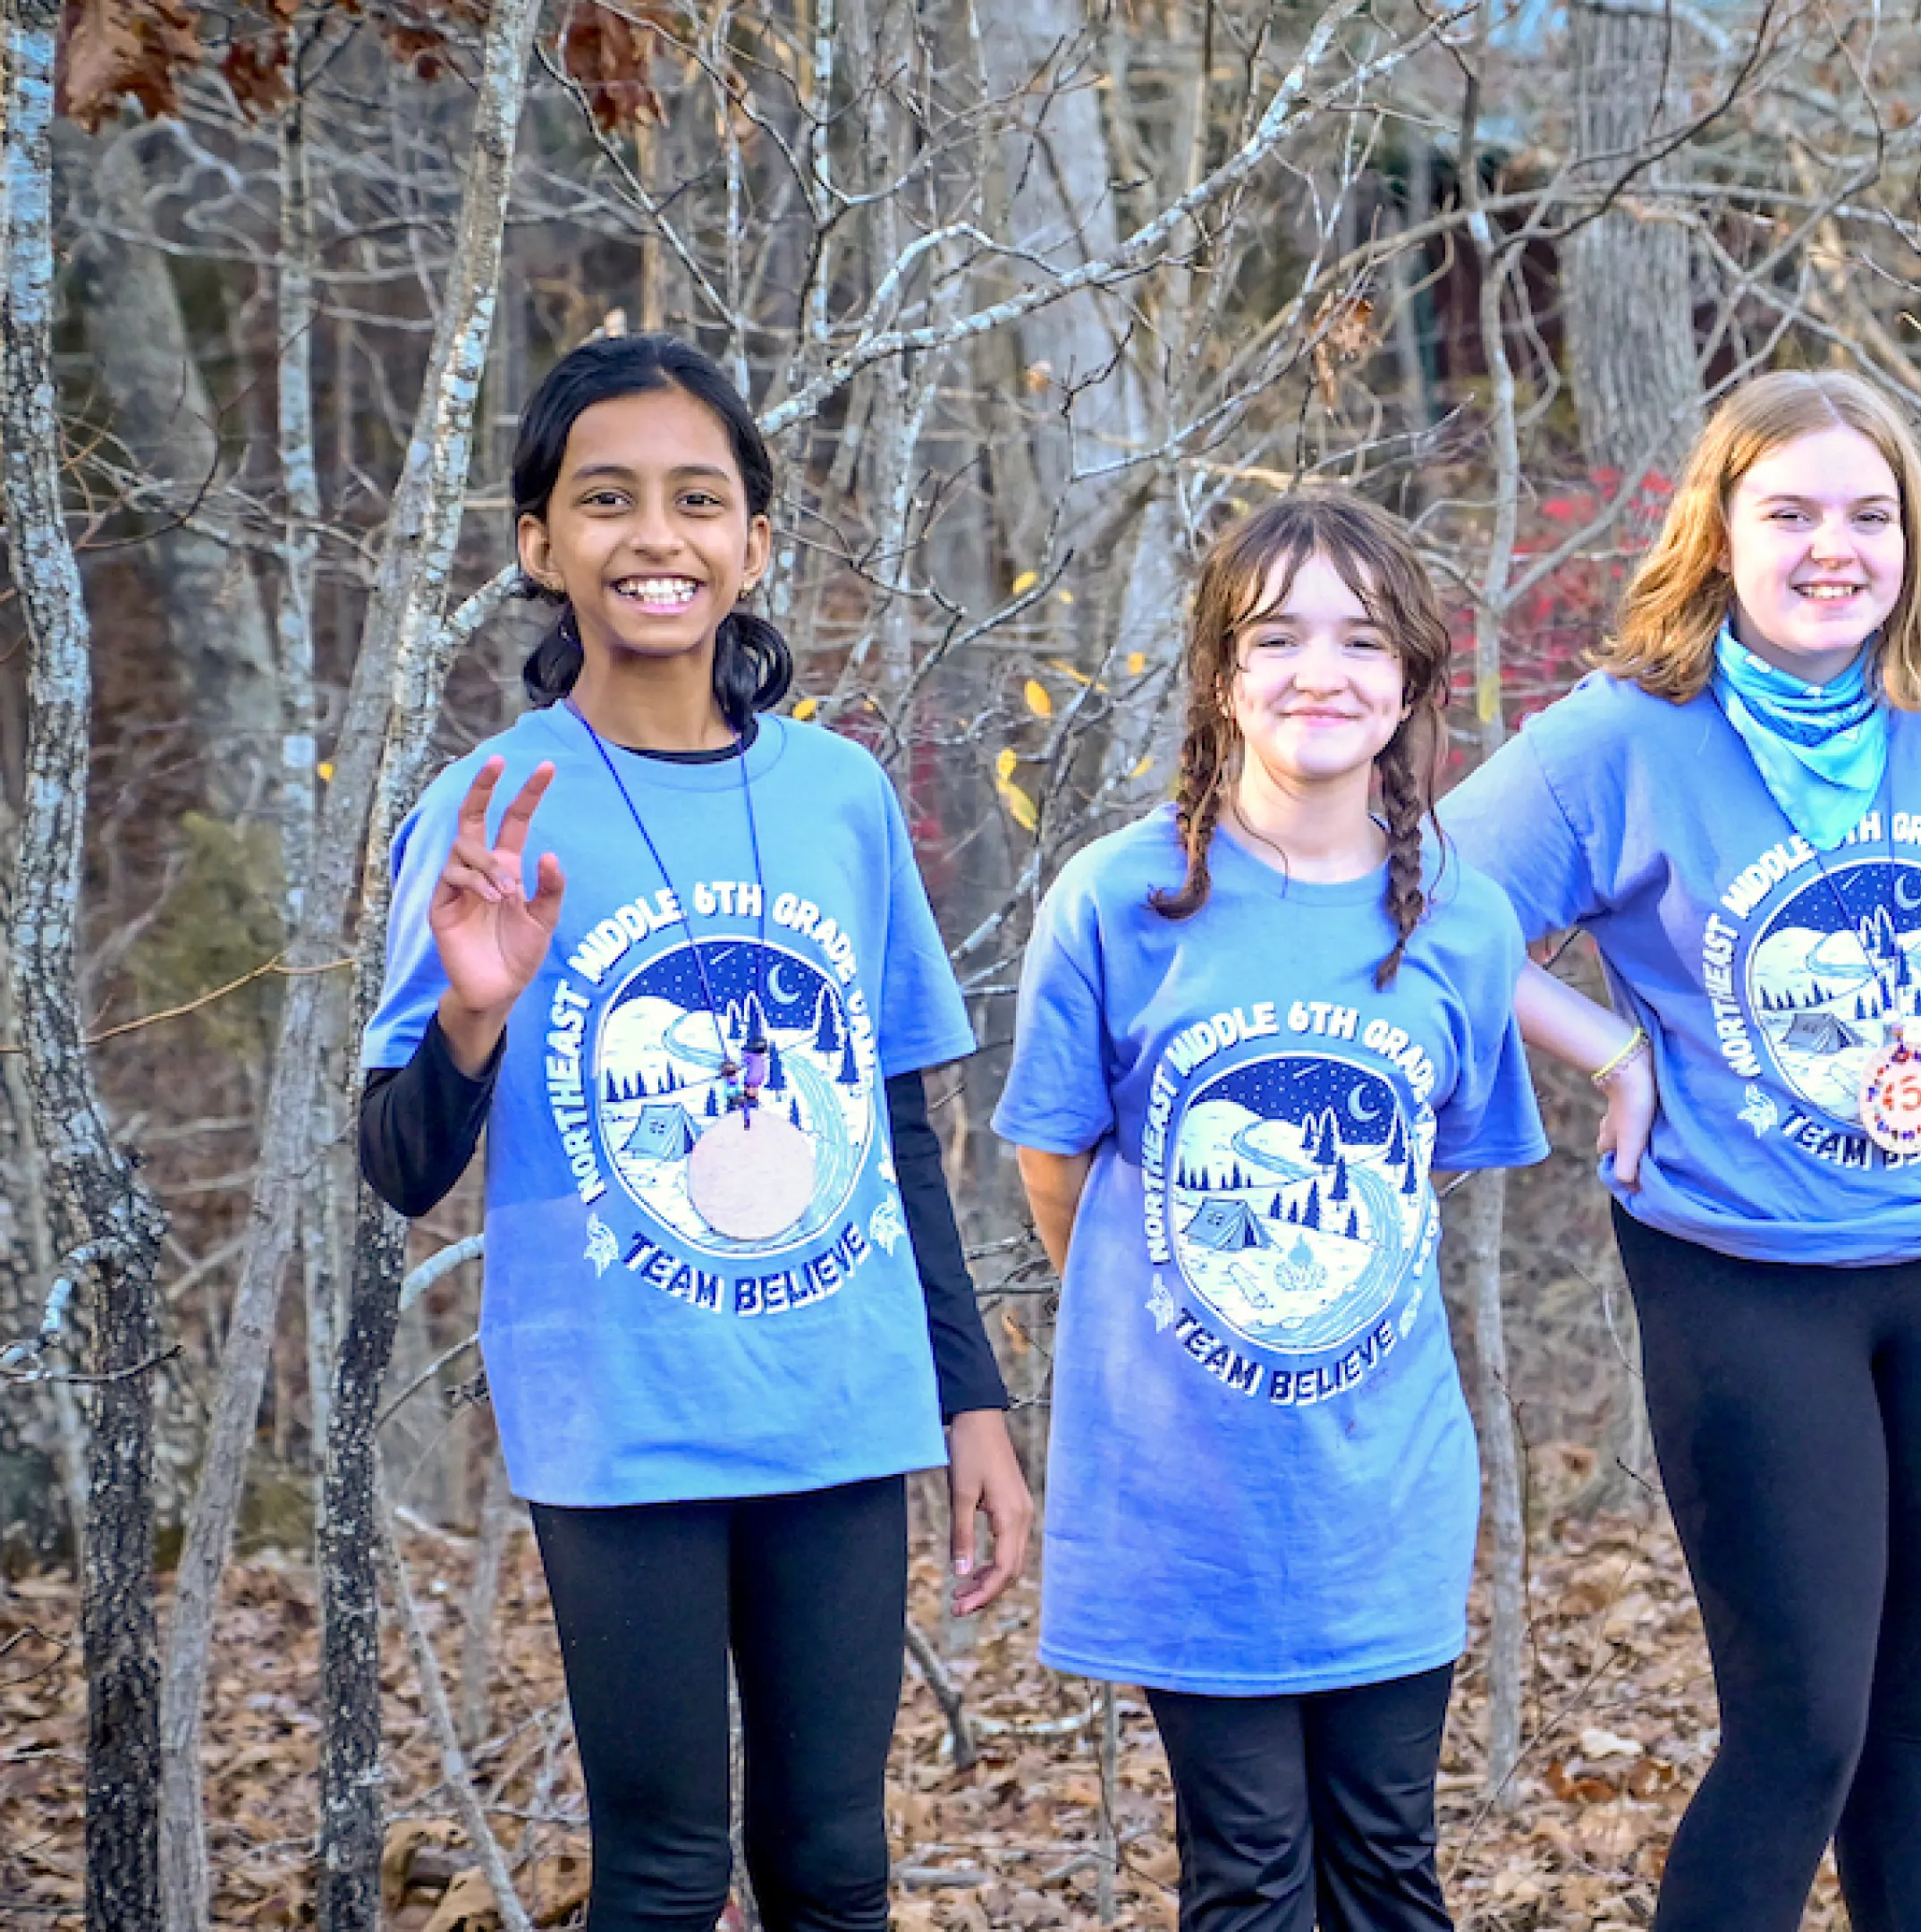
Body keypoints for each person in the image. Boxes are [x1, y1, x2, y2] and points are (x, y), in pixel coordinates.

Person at [358, 334, 1031, 1932]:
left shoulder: (841, 795)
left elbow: (895, 1122)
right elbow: (400, 1165)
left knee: (836, 1865)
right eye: (607, 500)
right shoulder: (489, 811)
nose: (655, 536)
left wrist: (974, 1403)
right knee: (660, 1873)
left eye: (697, 500)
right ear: (541, 545)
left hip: (841, 1404)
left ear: (753, 544)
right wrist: (471, 1012)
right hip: (627, 1418)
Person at [1441, 369, 1921, 1932]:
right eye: (1789, 513)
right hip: (1745, 1276)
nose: (1832, 550)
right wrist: (1610, 1045)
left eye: (1868, 515)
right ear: (1718, 529)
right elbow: (1436, 903)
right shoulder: (1621, 736)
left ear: (1911, 536)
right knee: (1804, 1726)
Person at [997, 489, 1546, 1932]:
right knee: (1246, 1878)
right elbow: (1055, 1169)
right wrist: (1169, 1309)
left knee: (1388, 1869)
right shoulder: (1117, 901)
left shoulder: (1465, 924)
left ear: (1413, 683)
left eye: (1365, 641)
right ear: (1221, 671)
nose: (1323, 672)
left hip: (1386, 1491)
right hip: (1194, 1500)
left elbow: (1423, 1180)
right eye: (1280, 636)